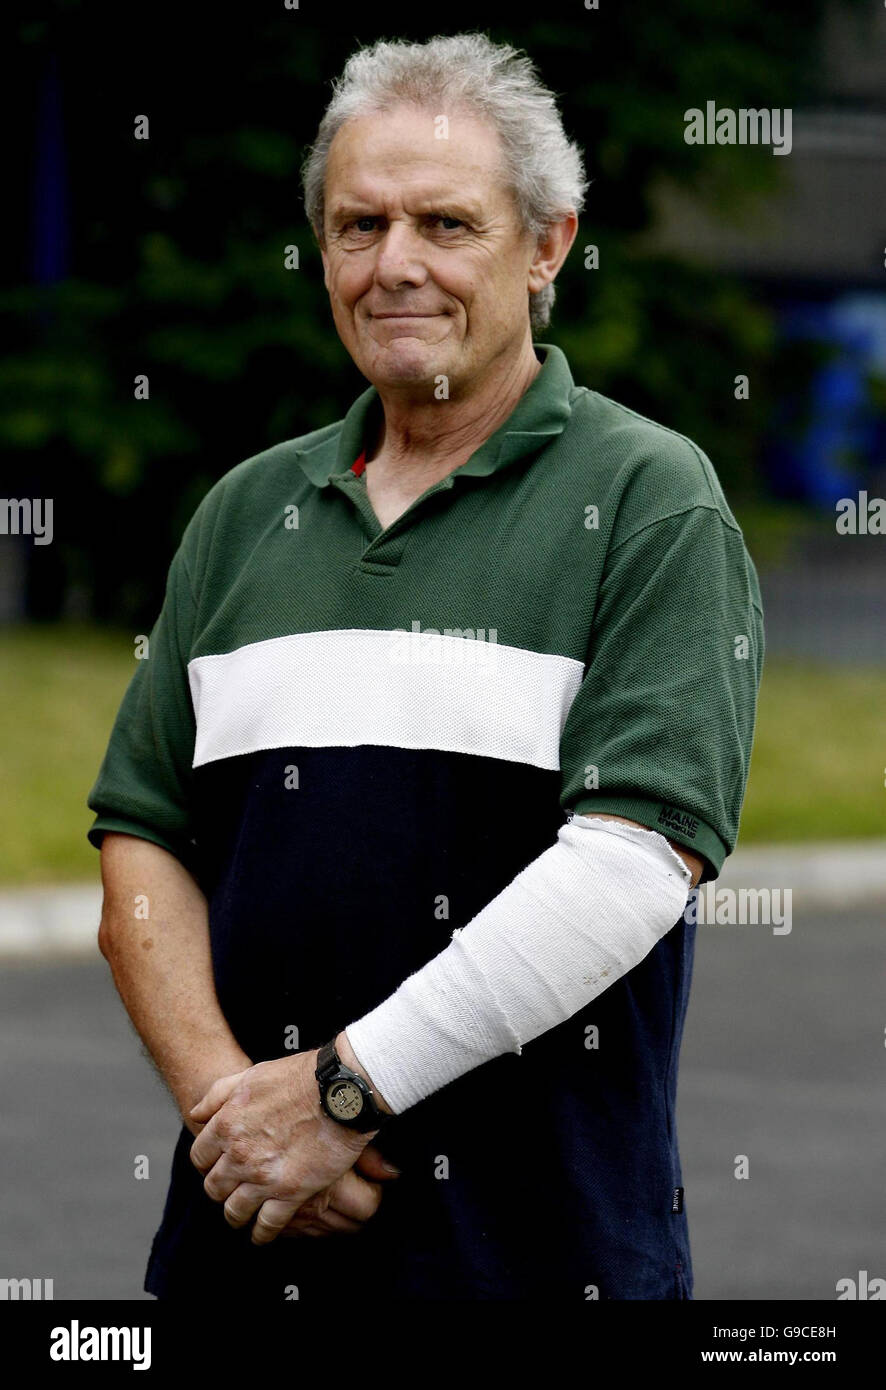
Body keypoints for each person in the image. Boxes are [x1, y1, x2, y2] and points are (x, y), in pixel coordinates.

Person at [88, 32, 764, 1301]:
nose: (394, 265)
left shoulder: (647, 499)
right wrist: (236, 1119)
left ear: (547, 244)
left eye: (445, 223)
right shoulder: (245, 512)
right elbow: (141, 841)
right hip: (240, 1252)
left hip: (535, 1261)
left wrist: (343, 1093)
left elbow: (628, 867)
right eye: (358, 226)